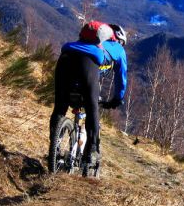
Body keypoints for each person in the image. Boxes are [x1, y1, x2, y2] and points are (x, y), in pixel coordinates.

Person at [49, 22, 128, 172]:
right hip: (87, 64)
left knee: (60, 107)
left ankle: (54, 147)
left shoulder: (92, 41)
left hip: (64, 59)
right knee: (92, 109)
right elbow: (121, 78)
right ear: (120, 40)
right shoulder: (118, 49)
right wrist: (117, 98)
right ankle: (91, 152)